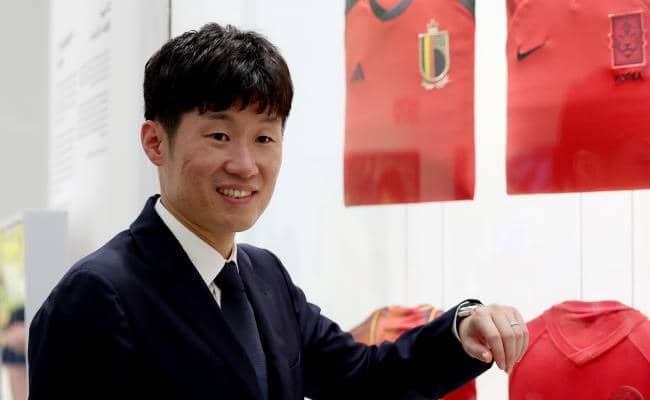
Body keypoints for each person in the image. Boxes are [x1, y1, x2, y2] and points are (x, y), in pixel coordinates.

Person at [27, 23, 529, 399]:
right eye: (219, 135)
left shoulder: (264, 275)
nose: (246, 165)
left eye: (264, 138)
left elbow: (362, 377)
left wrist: (461, 331)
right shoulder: (97, 295)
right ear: (156, 142)